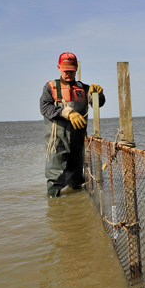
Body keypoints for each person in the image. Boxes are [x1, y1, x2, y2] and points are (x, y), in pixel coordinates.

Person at [40, 52, 105, 197]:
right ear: (58, 68)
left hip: (78, 143)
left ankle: (77, 211)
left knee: (77, 180)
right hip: (57, 142)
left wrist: (98, 94)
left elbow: (98, 104)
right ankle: (55, 210)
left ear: (76, 68)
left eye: (71, 70)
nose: (68, 74)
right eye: (65, 71)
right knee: (55, 179)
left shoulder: (84, 88)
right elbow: (44, 108)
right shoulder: (50, 87)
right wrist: (67, 112)